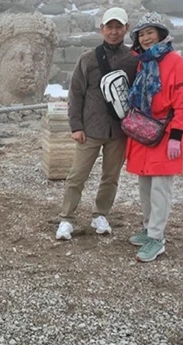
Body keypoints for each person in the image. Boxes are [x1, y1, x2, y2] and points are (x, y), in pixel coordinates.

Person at [56, 7, 139, 240]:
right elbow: (76, 94)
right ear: (101, 29)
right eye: (109, 27)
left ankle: (100, 214)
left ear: (126, 29)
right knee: (77, 176)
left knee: (111, 177)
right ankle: (66, 218)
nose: (114, 32)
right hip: (90, 130)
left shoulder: (133, 59)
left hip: (119, 131)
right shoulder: (88, 58)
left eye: (118, 27)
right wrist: (76, 126)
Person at [124, 12, 183, 262]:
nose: (145, 38)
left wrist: (176, 135)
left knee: (160, 189)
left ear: (161, 34)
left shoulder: (175, 61)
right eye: (141, 34)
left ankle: (157, 238)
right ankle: (148, 228)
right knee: (145, 187)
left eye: (149, 32)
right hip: (144, 131)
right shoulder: (143, 62)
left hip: (164, 133)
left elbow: (182, 103)